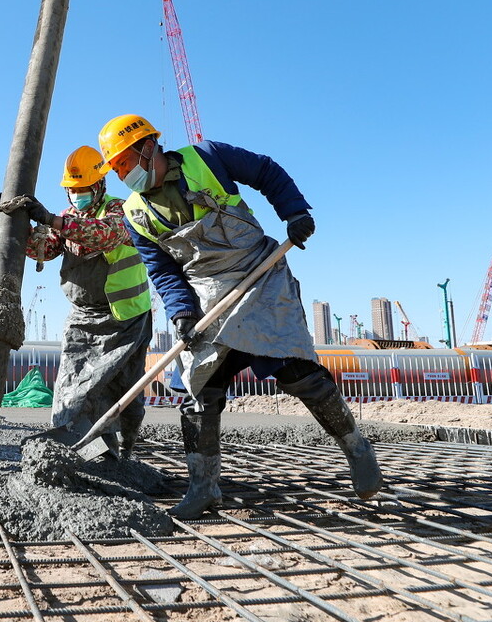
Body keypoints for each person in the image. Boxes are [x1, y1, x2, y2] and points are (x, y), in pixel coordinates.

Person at [98, 113, 382, 518]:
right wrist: (181, 312)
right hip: (208, 296)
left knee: (297, 372)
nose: (122, 174)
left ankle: (356, 448)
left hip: (259, 278)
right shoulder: (134, 213)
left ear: (147, 148)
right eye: (117, 169)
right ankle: (204, 487)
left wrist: (294, 212)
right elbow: (162, 270)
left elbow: (266, 171)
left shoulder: (208, 157)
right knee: (198, 393)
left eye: (124, 164)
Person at [0, 146, 153, 458]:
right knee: (74, 387)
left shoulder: (119, 210)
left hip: (125, 318)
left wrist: (52, 219)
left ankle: (122, 452)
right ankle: (83, 452)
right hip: (83, 317)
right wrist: (23, 226)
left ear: (99, 187)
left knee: (124, 392)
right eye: (72, 190)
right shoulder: (68, 218)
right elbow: (45, 249)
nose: (76, 196)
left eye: (83, 190)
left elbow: (103, 235)